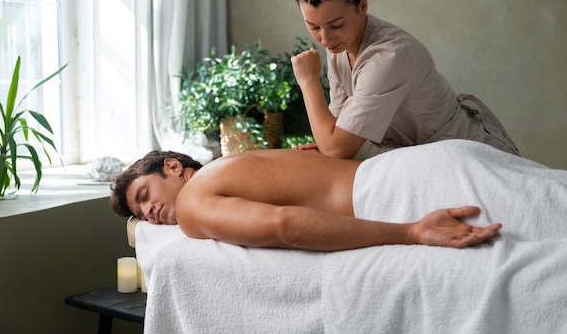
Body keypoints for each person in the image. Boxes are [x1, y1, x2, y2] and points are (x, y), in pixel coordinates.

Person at [290, 0, 519, 159]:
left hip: (472, 153)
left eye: (336, 25)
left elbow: (337, 147)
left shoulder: (387, 57)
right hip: (427, 160)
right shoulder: (339, 48)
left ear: (362, 7)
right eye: (314, 27)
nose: (326, 39)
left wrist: (308, 81)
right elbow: (337, 127)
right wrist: (324, 142)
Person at [110, 141, 506, 252]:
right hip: (432, 161)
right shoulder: (231, 162)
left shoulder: (194, 205)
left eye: (144, 195)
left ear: (173, 166)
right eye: (141, 215)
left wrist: (413, 233)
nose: (149, 212)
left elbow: (283, 225)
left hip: (399, 194)